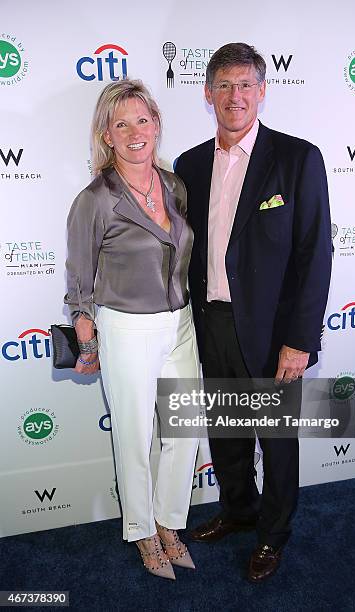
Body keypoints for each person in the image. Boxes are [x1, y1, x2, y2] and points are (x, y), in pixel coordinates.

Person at [175, 43, 332, 582]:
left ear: (263, 91)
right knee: (227, 430)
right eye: (224, 85)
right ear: (207, 93)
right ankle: (238, 510)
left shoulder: (297, 157)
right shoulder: (189, 164)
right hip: (212, 321)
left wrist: (299, 340)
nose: (235, 96)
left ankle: (273, 534)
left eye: (246, 85)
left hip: (272, 333)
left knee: (276, 438)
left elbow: (315, 253)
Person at [64, 79, 199, 580]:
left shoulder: (175, 186)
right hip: (125, 328)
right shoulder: (95, 199)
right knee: (135, 435)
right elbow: (79, 283)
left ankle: (169, 522)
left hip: (180, 323)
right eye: (121, 123)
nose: (134, 131)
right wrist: (87, 341)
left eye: (142, 119)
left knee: (184, 431)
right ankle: (142, 532)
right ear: (107, 135)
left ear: (157, 124)